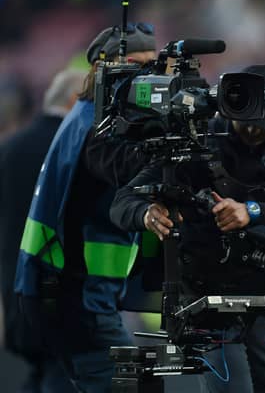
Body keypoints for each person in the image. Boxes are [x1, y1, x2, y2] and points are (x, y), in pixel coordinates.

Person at [110, 64, 265, 393]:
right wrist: (146, 212)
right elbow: (123, 201)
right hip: (205, 299)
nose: (250, 131)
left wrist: (253, 212)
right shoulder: (195, 141)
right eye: (244, 121)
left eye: (260, 125)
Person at [13, 23, 157, 392]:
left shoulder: (86, 115)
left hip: (61, 291)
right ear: (106, 69)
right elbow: (127, 170)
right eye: (136, 65)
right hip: (74, 296)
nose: (147, 77)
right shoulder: (99, 128)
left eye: (153, 65)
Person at [0, 68, 85, 392]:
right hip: (61, 296)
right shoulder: (74, 147)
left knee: (43, 375)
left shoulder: (9, 149)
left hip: (16, 295)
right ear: (75, 101)